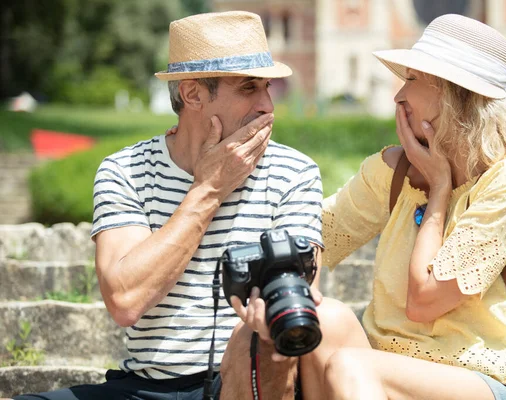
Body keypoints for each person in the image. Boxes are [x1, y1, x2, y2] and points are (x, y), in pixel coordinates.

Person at [9, 11, 368, 400]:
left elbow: (294, 302)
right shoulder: (124, 170)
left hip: (251, 374)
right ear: (193, 93)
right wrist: (209, 190)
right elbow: (125, 301)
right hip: (145, 387)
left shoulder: (295, 172)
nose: (268, 106)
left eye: (268, 87)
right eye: (249, 88)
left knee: (260, 337)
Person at [320, 14, 506, 400]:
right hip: (382, 372)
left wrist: (440, 190)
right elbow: (318, 235)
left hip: (483, 377)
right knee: (322, 322)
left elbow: (424, 300)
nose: (398, 96)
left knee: (348, 363)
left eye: (411, 80)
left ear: (452, 93)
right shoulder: (391, 172)